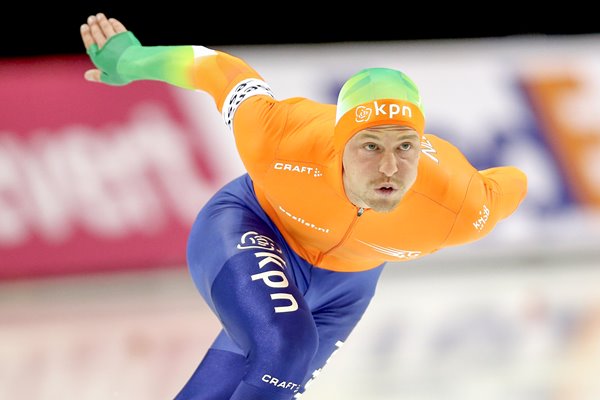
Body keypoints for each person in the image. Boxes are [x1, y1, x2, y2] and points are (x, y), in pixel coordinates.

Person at [80, 13, 528, 400]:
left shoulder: (460, 206)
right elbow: (218, 69)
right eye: (369, 146)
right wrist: (129, 60)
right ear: (338, 144)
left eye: (405, 146)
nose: (389, 166)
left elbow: (514, 183)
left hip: (346, 290)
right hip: (251, 226)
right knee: (287, 348)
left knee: (256, 376)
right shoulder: (281, 136)